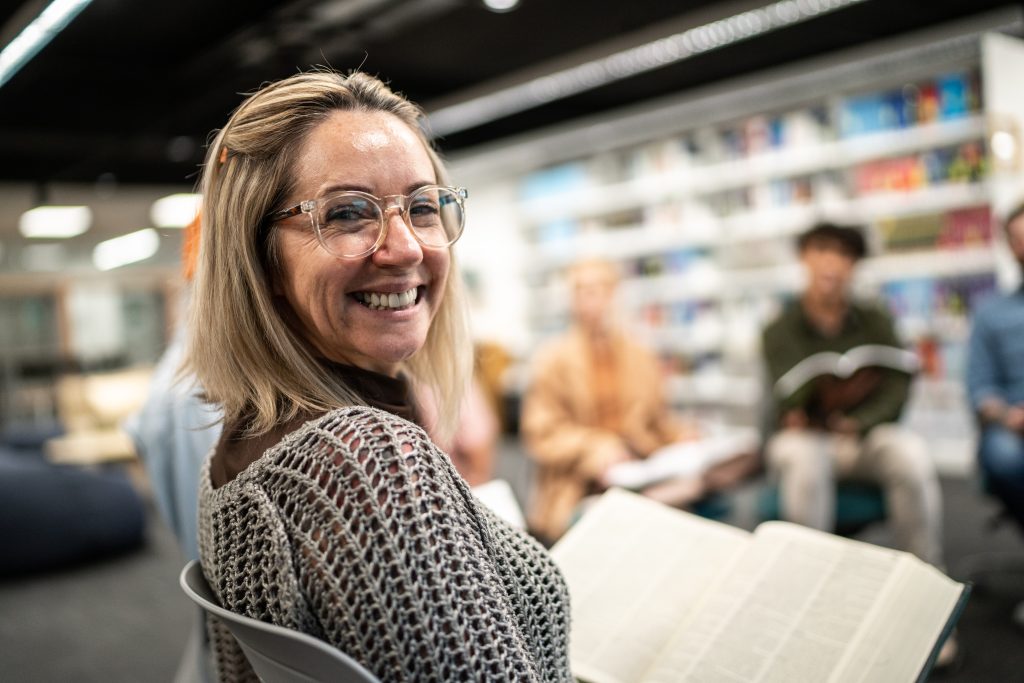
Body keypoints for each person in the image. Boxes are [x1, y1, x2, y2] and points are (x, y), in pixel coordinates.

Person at [185, 70, 571, 682]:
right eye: (347, 214)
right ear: (259, 260)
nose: (406, 248)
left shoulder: (246, 439)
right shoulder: (367, 462)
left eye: (421, 207)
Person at [761, 223, 943, 566]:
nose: (832, 262)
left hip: (857, 434)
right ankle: (809, 578)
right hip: (801, 435)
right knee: (806, 463)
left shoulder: (875, 319)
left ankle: (927, 578)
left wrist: (860, 420)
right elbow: (786, 395)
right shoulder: (779, 329)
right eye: (822, 250)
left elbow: (896, 383)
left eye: (844, 254)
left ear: (855, 264)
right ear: (804, 257)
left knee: (910, 455)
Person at [522, 259, 724, 544]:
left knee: (683, 522)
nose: (589, 299)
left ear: (614, 294)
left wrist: (682, 435)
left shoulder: (640, 355)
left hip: (641, 470)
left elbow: (657, 422)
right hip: (579, 484)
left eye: (598, 289)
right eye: (581, 290)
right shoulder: (552, 360)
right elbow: (542, 434)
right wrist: (596, 449)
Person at [967, 204, 1024, 533]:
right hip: (1013, 425)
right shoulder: (991, 315)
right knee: (1003, 457)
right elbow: (979, 390)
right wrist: (1009, 416)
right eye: (1018, 239)